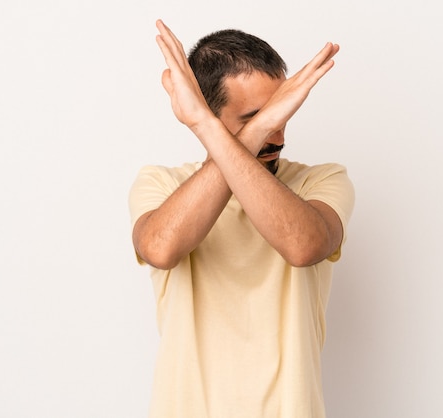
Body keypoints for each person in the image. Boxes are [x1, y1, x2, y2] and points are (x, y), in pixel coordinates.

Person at [129, 19, 354, 418]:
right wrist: (209, 125)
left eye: (282, 113)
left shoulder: (321, 181)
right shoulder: (161, 184)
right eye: (256, 118)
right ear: (209, 112)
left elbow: (304, 246)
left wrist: (214, 127)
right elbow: (161, 248)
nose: (278, 134)